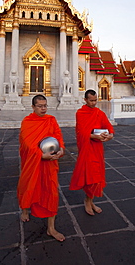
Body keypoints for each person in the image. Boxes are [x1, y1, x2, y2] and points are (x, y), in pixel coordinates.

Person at [17, 94, 65, 241]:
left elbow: (58, 136)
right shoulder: (27, 122)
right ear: (33, 107)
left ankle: (51, 228)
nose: (43, 108)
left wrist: (61, 149)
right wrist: (40, 156)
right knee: (28, 186)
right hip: (33, 161)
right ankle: (25, 210)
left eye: (45, 106)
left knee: (51, 192)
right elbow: (27, 143)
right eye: (40, 106)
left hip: (49, 163)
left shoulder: (51, 120)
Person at [69, 89, 114, 215]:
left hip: (97, 149)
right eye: (91, 100)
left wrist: (109, 136)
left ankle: (90, 200)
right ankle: (88, 201)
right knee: (89, 176)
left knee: (97, 175)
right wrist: (95, 137)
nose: (94, 103)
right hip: (87, 149)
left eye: (95, 100)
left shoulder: (99, 113)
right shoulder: (80, 113)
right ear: (85, 100)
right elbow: (82, 133)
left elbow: (109, 127)